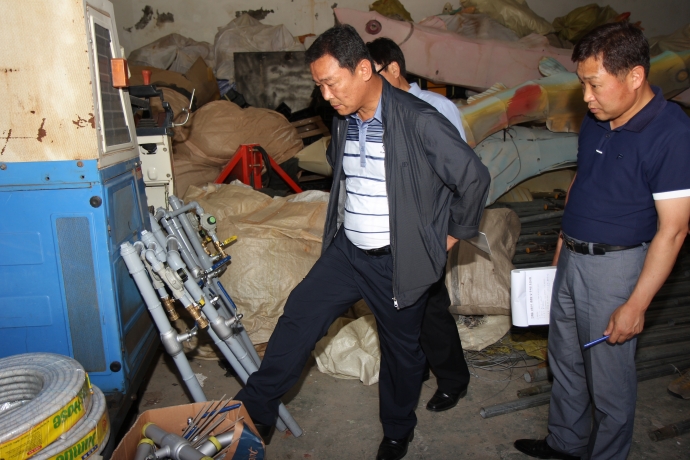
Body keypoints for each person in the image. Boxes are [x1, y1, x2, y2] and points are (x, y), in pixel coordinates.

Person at [234, 24, 490, 460]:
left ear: (365, 70)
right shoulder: (343, 119)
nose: (326, 95)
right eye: (319, 86)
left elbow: (473, 178)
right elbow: (344, 170)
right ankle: (253, 413)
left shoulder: (419, 119)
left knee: (401, 353)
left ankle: (397, 432)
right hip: (348, 251)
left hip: (397, 260)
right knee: (299, 314)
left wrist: (444, 239)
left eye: (332, 83)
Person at [514, 22, 690, 460]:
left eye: (594, 84)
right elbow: (583, 178)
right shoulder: (598, 118)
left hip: (616, 269)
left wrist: (636, 305)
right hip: (572, 257)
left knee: (609, 382)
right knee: (565, 361)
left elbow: (673, 229)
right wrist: (563, 240)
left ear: (635, 76)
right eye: (582, 84)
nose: (586, 96)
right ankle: (565, 443)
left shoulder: (672, 134)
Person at [366, 36, 471, 413]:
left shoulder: (436, 107)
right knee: (396, 306)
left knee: (429, 307)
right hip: (387, 227)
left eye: (372, 74)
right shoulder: (375, 110)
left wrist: (449, 232)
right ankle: (418, 365)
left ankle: (453, 379)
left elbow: (461, 173)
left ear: (393, 68)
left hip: (426, 228)